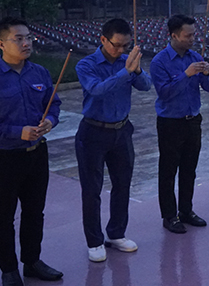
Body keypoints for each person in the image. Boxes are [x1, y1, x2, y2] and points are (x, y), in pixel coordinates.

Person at [0, 17, 63, 286]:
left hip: (36, 154)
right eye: (18, 38)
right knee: (3, 215)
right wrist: (15, 131)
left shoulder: (39, 73)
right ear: (1, 44)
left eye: (29, 37)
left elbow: (53, 104)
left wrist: (50, 121)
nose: (26, 43)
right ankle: (8, 269)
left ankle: (32, 261)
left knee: (35, 211)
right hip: (3, 158)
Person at [74, 18, 151, 262]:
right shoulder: (86, 65)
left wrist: (136, 70)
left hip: (121, 130)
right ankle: (94, 241)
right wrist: (125, 70)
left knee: (123, 183)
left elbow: (146, 86)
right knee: (92, 188)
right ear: (103, 39)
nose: (121, 50)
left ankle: (116, 233)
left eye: (126, 45)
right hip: (93, 132)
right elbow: (96, 90)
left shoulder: (127, 61)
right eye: (116, 45)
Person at [150, 15, 209, 234]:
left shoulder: (195, 56)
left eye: (194, 34)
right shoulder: (159, 61)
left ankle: (186, 210)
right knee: (168, 170)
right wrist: (185, 75)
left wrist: (206, 72)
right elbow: (164, 93)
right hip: (170, 122)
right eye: (188, 35)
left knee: (189, 169)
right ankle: (169, 215)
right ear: (174, 35)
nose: (192, 39)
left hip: (192, 121)